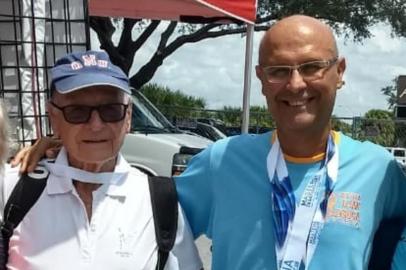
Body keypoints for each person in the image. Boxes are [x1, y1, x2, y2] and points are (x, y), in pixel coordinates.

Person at [175, 15, 406, 270]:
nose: (295, 84)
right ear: (261, 78)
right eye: (279, 71)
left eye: (311, 67)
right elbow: (153, 229)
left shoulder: (378, 170)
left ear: (339, 72)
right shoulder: (221, 162)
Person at [0, 50, 202, 269]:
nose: (96, 125)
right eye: (76, 111)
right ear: (53, 118)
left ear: (128, 117)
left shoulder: (160, 202)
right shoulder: (12, 188)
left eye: (111, 110)